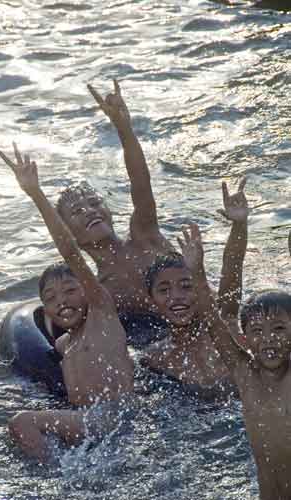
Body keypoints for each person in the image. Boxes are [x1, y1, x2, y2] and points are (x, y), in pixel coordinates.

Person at [0, 143, 134, 462]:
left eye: (70, 290)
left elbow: (70, 252)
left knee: (21, 423)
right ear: (44, 309)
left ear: (89, 290)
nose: (62, 302)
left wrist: (36, 194)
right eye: (51, 298)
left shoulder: (103, 315)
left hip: (114, 417)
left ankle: (55, 479)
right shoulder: (62, 343)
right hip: (92, 422)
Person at [54, 79, 174, 347]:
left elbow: (141, 182)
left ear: (108, 210)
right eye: (77, 211)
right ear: (70, 233)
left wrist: (123, 127)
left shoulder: (145, 235)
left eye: (95, 202)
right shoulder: (99, 290)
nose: (90, 211)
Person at [180, 223, 291, 500]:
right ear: (244, 340)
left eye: (279, 329)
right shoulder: (244, 374)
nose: (268, 339)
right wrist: (196, 271)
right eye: (257, 331)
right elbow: (212, 320)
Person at [141, 179, 249, 397]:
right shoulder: (153, 359)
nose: (176, 297)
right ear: (152, 301)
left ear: (202, 289)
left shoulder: (225, 325)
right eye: (164, 290)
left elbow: (232, 267)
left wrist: (239, 225)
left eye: (186, 286)